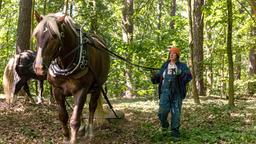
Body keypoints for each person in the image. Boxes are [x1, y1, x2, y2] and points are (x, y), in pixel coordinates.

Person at [151, 46, 192, 140]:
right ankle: (164, 126)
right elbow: (157, 79)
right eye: (170, 53)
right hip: (165, 92)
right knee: (162, 112)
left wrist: (180, 72)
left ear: (177, 55)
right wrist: (154, 76)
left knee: (176, 114)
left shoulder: (182, 66)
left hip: (177, 93)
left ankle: (175, 134)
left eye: (173, 53)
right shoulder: (165, 65)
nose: (171, 55)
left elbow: (189, 77)